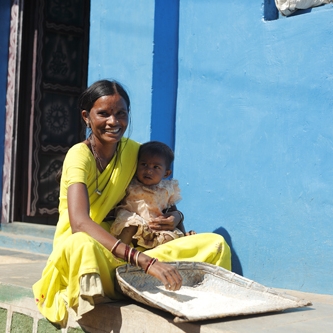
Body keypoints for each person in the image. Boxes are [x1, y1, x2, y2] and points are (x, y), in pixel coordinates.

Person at [32, 79, 232, 328]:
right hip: (97, 254)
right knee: (81, 244)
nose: (113, 122)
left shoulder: (135, 152)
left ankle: (143, 286)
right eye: (103, 114)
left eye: (121, 114)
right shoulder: (78, 156)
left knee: (215, 244)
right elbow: (80, 223)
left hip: (134, 252)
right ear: (86, 116)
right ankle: (132, 284)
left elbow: (158, 190)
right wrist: (145, 262)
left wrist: (176, 217)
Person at [111, 141, 187, 248]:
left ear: (166, 173)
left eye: (156, 167)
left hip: (154, 228)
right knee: (130, 224)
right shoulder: (129, 183)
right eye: (144, 164)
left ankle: (155, 256)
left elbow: (174, 213)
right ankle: (119, 254)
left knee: (170, 238)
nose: (148, 170)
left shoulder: (167, 189)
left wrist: (184, 233)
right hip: (132, 224)